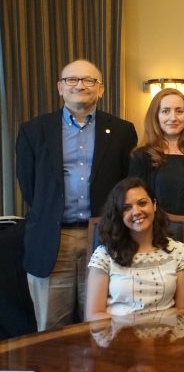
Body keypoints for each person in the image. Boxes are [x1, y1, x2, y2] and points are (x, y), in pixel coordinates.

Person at [15, 59, 137, 330]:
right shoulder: (33, 130)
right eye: (72, 80)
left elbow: (126, 184)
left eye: (89, 80)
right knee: (51, 330)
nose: (80, 85)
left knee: (101, 326)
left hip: (103, 238)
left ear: (101, 89)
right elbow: (29, 185)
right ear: (60, 87)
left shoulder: (122, 131)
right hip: (53, 240)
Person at [129, 88, 184, 305]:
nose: (173, 117)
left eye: (179, 111)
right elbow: (136, 203)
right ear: (155, 116)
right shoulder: (141, 156)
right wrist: (162, 239)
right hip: (152, 243)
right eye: (165, 111)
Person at [85, 177, 184, 320]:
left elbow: (183, 314)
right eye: (126, 208)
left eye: (142, 203)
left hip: (165, 337)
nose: (136, 211)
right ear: (118, 214)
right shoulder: (104, 254)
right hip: (118, 336)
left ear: (154, 205)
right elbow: (93, 315)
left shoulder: (179, 252)